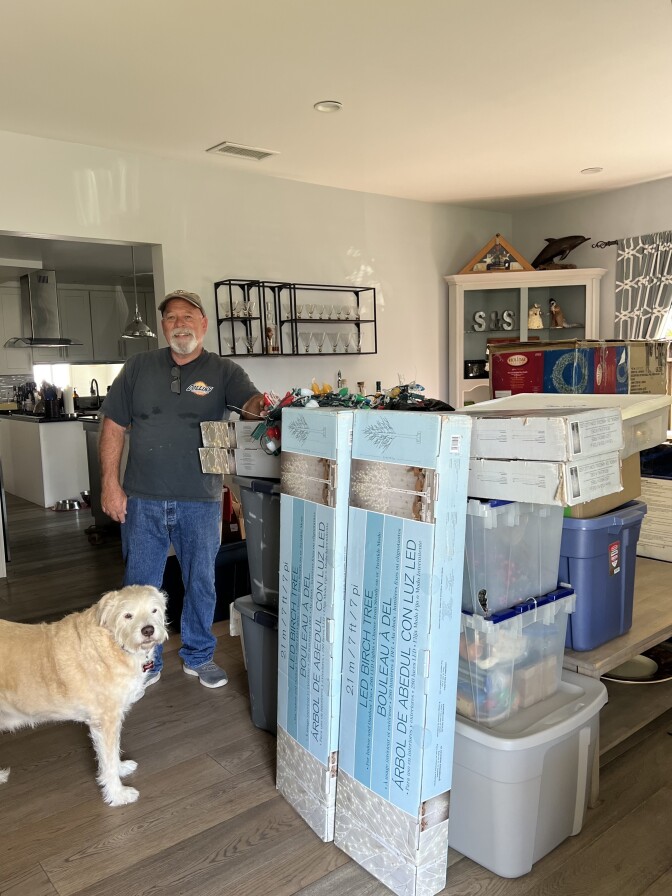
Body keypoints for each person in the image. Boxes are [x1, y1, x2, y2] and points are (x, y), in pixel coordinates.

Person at [99, 289, 266, 689]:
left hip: (201, 498)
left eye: (188, 316)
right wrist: (110, 483)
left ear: (203, 324)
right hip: (143, 497)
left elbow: (252, 406)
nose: (179, 324)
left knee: (201, 580)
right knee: (139, 587)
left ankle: (198, 655)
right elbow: (113, 425)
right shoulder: (139, 366)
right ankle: (144, 663)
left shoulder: (224, 371)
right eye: (171, 318)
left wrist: (268, 405)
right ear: (163, 326)